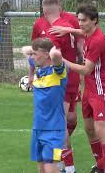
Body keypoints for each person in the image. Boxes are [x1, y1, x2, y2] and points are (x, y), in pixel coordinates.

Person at [31, 0, 83, 172]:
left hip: (60, 80)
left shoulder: (67, 23)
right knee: (68, 119)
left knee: (60, 124)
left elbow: (50, 55)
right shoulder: (41, 24)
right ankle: (66, 164)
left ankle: (66, 166)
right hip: (68, 78)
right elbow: (34, 50)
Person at [62, 4, 105, 173]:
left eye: (84, 20)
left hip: (100, 90)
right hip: (89, 91)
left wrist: (63, 62)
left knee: (101, 131)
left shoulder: (97, 40)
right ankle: (100, 164)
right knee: (89, 129)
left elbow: (86, 69)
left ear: (94, 20)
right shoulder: (88, 33)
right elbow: (81, 32)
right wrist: (67, 30)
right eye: (78, 19)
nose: (80, 23)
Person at [23, 37, 67, 173]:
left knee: (50, 167)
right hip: (38, 128)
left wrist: (51, 50)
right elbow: (24, 50)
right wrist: (35, 49)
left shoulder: (58, 72)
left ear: (46, 55)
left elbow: (57, 55)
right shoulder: (39, 69)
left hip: (54, 130)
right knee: (41, 167)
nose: (33, 57)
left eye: (35, 54)